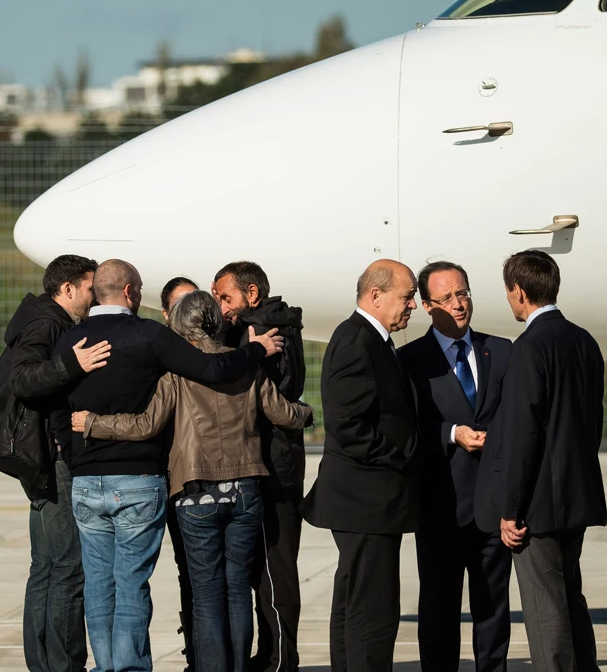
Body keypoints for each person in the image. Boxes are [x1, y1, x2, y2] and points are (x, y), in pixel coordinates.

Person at [49, 259, 284, 672]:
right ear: (128, 292)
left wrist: (76, 455)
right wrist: (255, 350)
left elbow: (53, 406)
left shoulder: (71, 339)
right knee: (132, 584)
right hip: (139, 478)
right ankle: (130, 668)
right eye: (138, 289)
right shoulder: (148, 335)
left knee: (99, 586)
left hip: (86, 481)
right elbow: (212, 366)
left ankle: (107, 667)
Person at [0, 254, 111, 672]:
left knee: (46, 565)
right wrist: (73, 364)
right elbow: (23, 379)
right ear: (67, 290)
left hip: (41, 454)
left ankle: (45, 664)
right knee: (67, 565)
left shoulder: (47, 319)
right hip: (50, 456)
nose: (94, 295)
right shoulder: (48, 324)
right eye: (89, 287)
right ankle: (64, 666)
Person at [475, 250, 607, 672]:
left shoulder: (529, 348)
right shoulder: (584, 340)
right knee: (571, 599)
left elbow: (521, 437)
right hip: (578, 496)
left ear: (518, 292)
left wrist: (510, 510)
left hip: (538, 507)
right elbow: (593, 422)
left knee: (544, 610)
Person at [301, 259, 422, 672]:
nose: (414, 306)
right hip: (367, 501)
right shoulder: (357, 342)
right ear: (375, 295)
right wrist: (402, 457)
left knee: (356, 603)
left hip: (367, 502)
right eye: (407, 296)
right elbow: (348, 427)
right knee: (374, 612)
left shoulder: (372, 338)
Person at [397, 261, 512, 672]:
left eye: (462, 293)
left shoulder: (500, 350)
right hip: (441, 509)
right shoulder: (409, 360)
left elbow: (518, 419)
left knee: (494, 611)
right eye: (445, 298)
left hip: (494, 507)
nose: (458, 304)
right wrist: (451, 432)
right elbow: (406, 429)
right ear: (427, 306)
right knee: (439, 613)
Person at [212, 261, 307, 672]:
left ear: (252, 295)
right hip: (270, 463)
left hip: (274, 466)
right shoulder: (266, 324)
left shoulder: (262, 329)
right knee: (263, 568)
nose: (220, 307)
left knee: (274, 567)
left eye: (225, 297)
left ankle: (279, 660)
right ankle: (270, 654)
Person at [160, 275, 200, 671]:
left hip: (202, 484)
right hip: (176, 478)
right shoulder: (162, 359)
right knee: (190, 575)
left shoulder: (222, 358)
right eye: (179, 305)